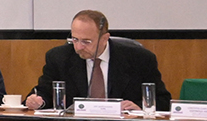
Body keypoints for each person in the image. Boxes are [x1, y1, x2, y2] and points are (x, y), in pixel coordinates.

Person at [27, 10, 162, 111]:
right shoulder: (59, 58)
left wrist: (139, 107)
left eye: (86, 41)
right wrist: (38, 101)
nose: (79, 47)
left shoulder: (139, 59)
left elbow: (162, 100)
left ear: (105, 38)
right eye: (75, 39)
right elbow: (45, 93)